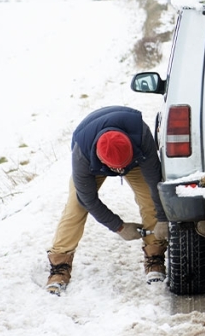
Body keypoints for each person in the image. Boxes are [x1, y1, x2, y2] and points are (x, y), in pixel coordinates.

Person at [45, 106, 169, 295]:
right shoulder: (82, 153)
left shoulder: (141, 136)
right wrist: (119, 227)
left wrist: (162, 217)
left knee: (150, 199)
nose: (120, 172)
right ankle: (59, 265)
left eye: (122, 168)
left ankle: (155, 255)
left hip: (134, 158)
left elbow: (154, 182)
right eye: (117, 169)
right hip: (95, 162)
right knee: (76, 206)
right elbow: (88, 199)